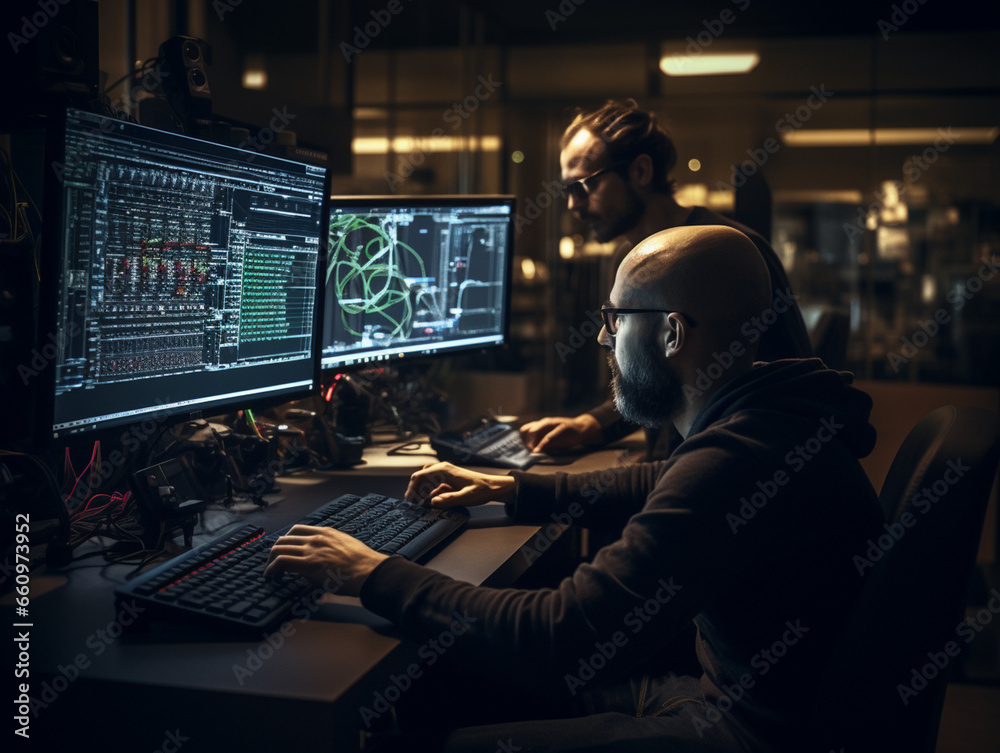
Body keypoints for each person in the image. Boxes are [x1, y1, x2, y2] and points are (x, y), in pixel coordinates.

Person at [265, 225, 883, 752]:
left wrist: (372, 573)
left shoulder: (736, 458)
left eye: (616, 318)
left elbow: (561, 636)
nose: (602, 339)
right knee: (439, 684)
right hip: (757, 704)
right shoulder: (770, 415)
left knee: (447, 735)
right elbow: (662, 482)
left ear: (672, 333)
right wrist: (511, 488)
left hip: (738, 733)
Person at [520, 100, 813, 458]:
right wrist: (593, 423)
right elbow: (656, 375)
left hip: (714, 477)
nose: (572, 205)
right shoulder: (629, 260)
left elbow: (783, 396)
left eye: (583, 186)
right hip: (669, 470)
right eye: (567, 191)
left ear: (640, 172)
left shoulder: (731, 253)